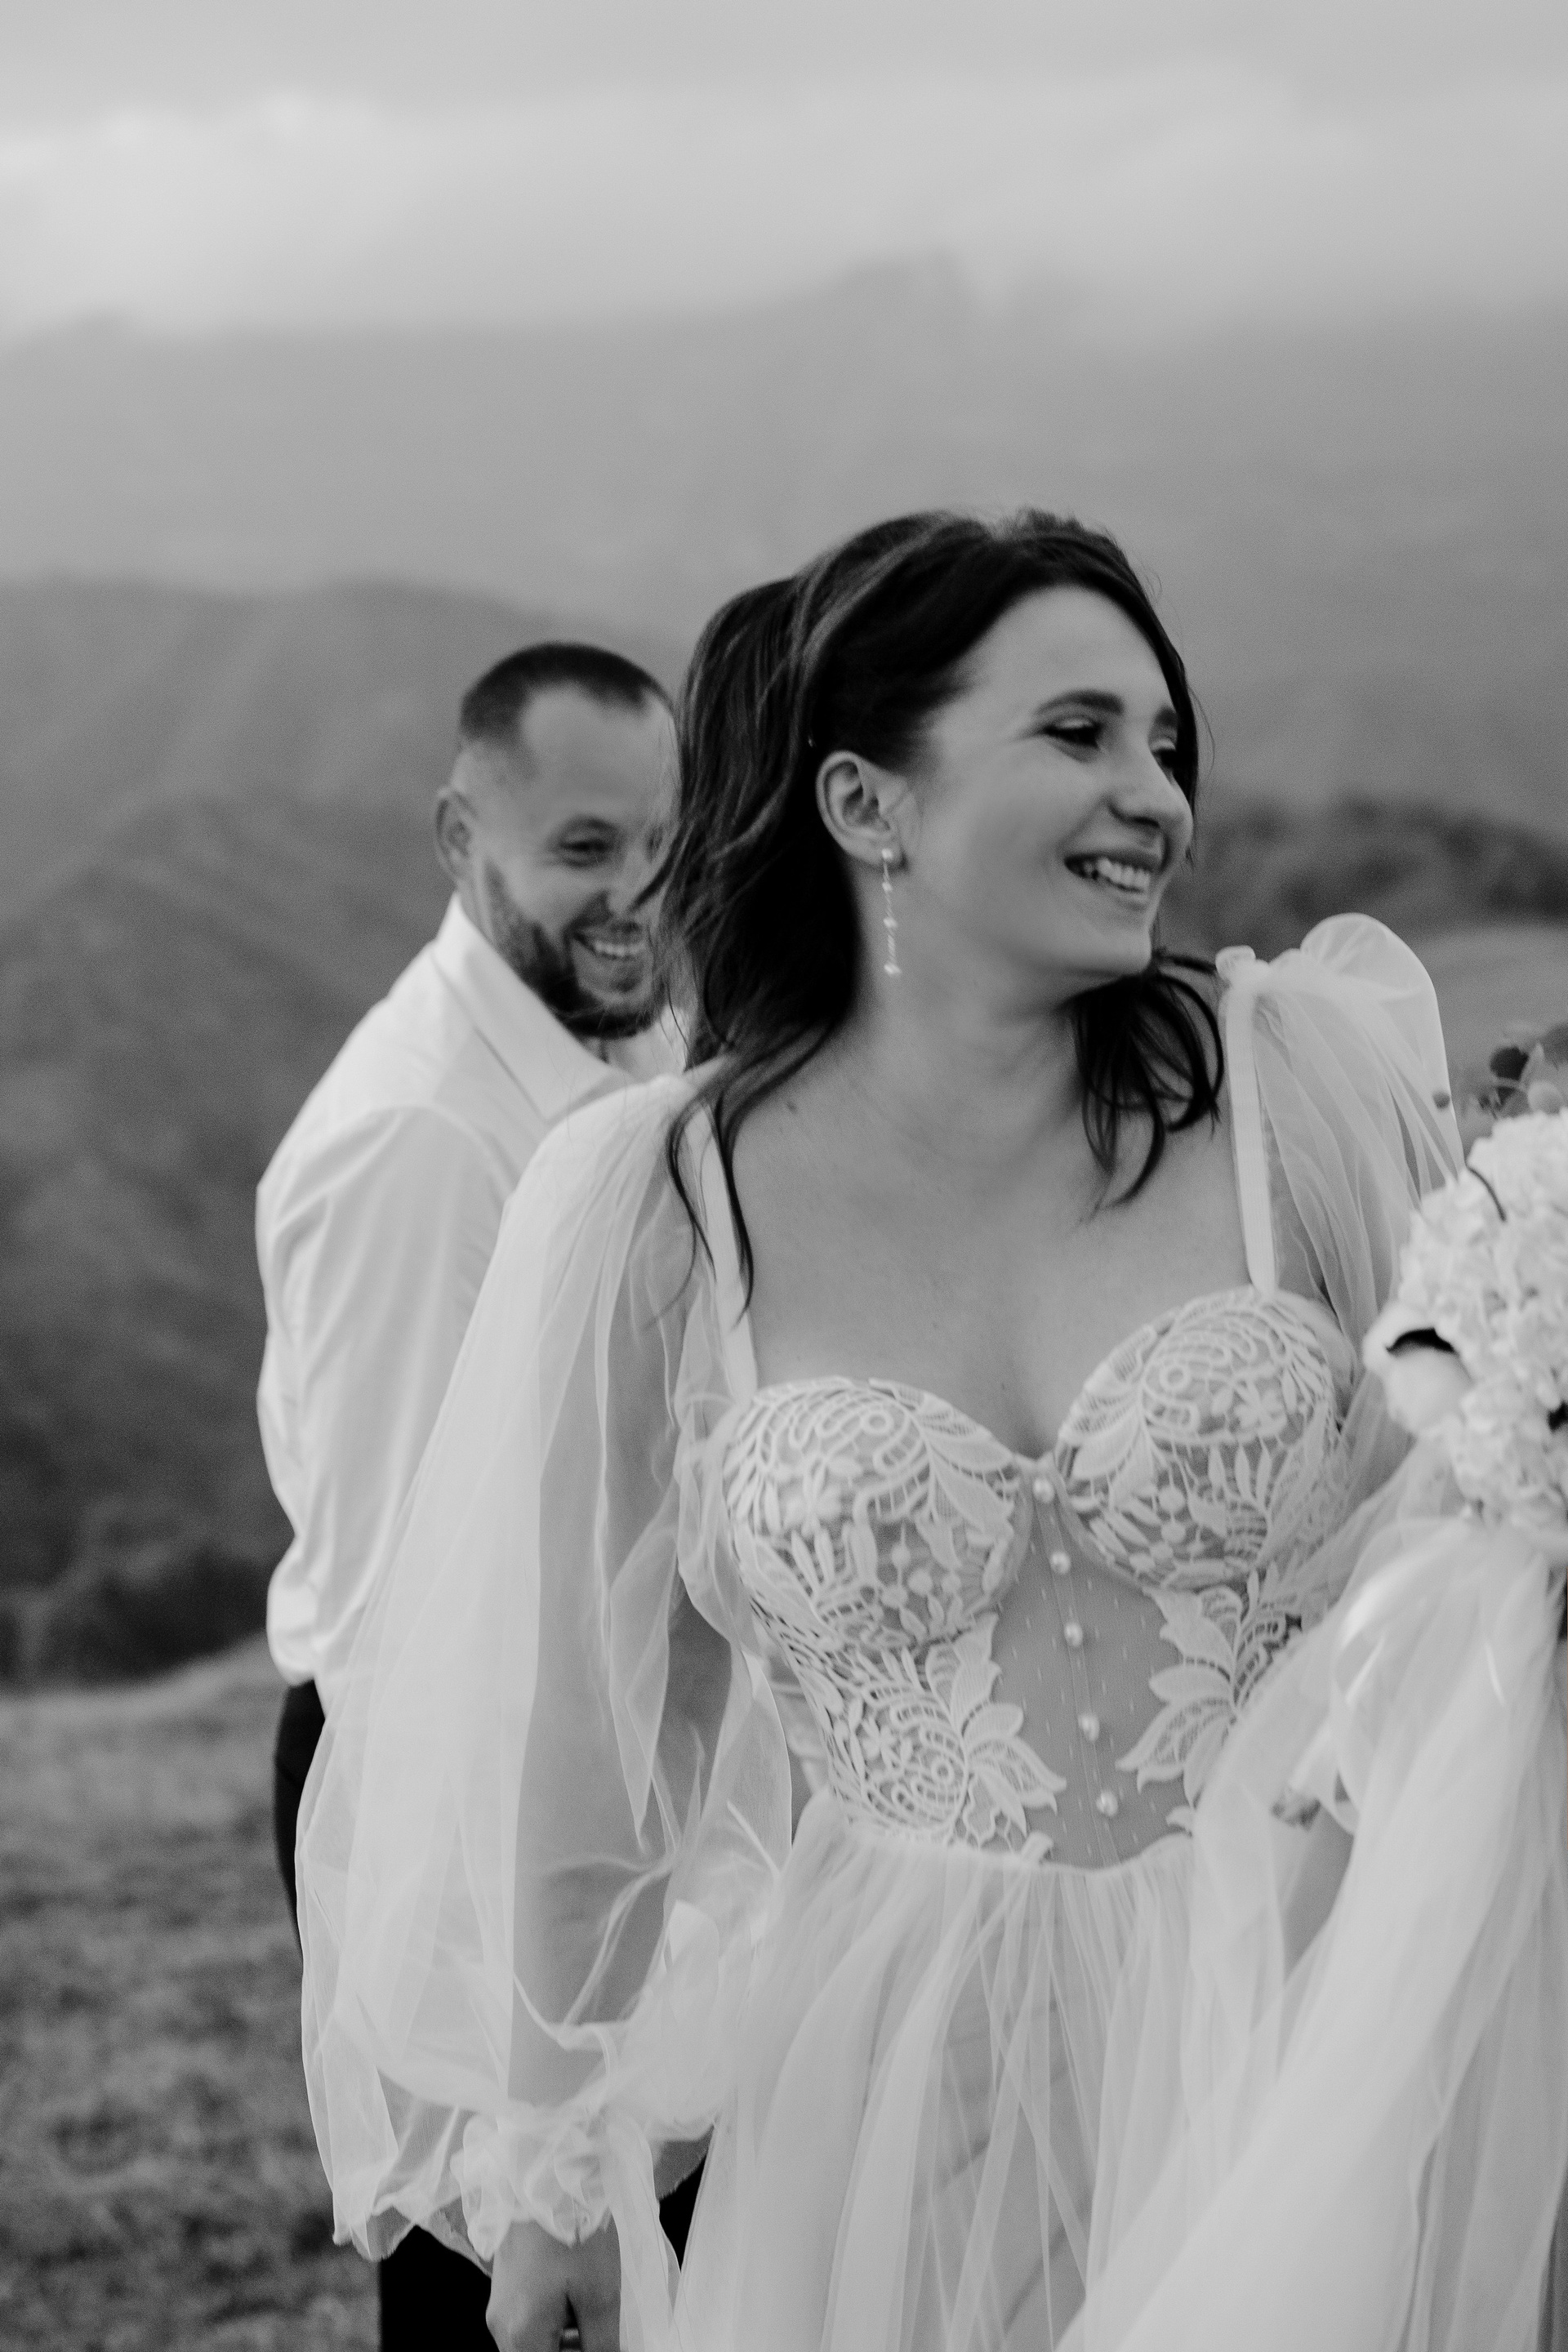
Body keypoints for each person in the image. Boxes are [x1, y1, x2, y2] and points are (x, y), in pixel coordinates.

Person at [296, 514, 1568, 2350]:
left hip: (1318, 2016)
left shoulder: (1297, 1085)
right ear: (865, 803)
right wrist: (559, 2171)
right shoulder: (659, 1201)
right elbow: (590, 1738)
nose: (1154, 797)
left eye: (1164, 741)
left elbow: (1477, 1527)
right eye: (1078, 732)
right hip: (903, 2087)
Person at [258, 639, 684, 2348]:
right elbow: (400, 1635)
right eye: (585, 849)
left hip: (604, 1770)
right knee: (503, 2300)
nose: (638, 890)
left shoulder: (621, 1043)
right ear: (460, 839)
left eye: (662, 840)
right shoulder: (423, 1145)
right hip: (452, 1802)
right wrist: (527, 2097)